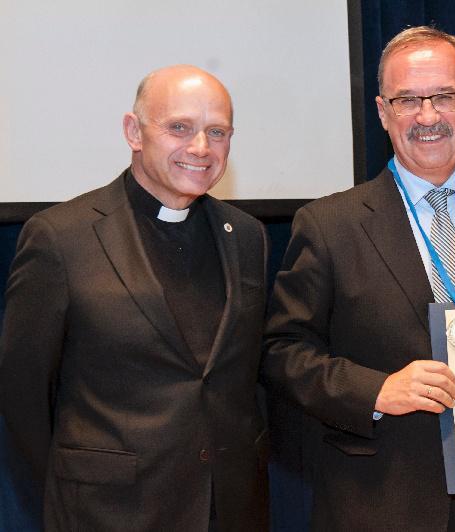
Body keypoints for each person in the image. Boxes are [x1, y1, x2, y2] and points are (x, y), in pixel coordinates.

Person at [264, 26, 455, 531]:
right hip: (378, 502)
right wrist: (376, 390)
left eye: (445, 97)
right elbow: (282, 352)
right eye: (407, 99)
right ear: (383, 112)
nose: (428, 116)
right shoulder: (327, 225)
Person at [0, 65, 270, 531]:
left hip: (227, 509)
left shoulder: (247, 237)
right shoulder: (61, 239)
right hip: (107, 512)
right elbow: (23, 392)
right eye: (179, 128)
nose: (201, 148)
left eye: (217, 131)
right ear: (134, 132)